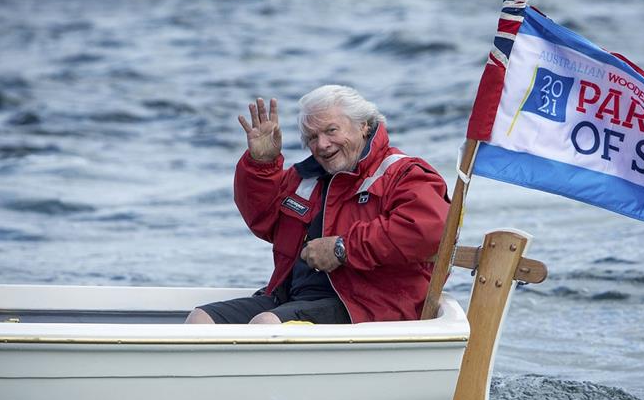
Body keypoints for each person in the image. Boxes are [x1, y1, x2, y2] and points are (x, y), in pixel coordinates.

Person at [186, 85, 449, 325]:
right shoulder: (306, 178)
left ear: (364, 126)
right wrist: (261, 164)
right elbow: (262, 219)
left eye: (331, 130)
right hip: (290, 297)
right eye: (312, 137)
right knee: (201, 319)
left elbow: (429, 231)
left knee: (266, 325)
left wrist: (342, 248)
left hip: (368, 306)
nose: (322, 144)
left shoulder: (404, 173)